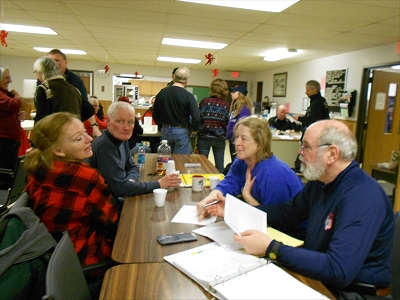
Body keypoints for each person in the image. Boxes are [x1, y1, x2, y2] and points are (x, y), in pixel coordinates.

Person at [201, 120, 394, 299]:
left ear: (332, 154)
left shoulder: (361, 196)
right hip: (319, 277)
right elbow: (288, 213)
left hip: (351, 292)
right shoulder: (321, 182)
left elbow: (339, 270)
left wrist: (271, 247)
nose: (300, 152)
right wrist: (236, 210)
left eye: (306, 147)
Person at [25, 112, 119, 267]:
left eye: (85, 132)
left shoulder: (37, 168)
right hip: (86, 259)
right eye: (79, 138)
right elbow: (111, 219)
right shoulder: (84, 177)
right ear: (59, 150)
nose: (89, 138)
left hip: (52, 258)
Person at [197, 116, 303, 216]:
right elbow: (229, 183)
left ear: (260, 143)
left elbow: (273, 219)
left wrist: (246, 195)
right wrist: (209, 200)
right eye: (237, 137)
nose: (237, 143)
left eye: (244, 138)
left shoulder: (272, 175)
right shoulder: (242, 161)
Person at [86, 102, 181, 203]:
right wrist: (159, 184)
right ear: (108, 121)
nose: (126, 127)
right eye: (120, 121)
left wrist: (130, 180)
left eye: (130, 122)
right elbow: (120, 189)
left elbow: (132, 166)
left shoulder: (122, 139)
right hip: (104, 205)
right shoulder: (105, 146)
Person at [44, 49, 101, 138]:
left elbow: (84, 105)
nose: (52, 64)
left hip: (71, 128)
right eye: (49, 61)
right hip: (50, 128)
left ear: (65, 62)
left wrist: (93, 126)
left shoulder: (75, 81)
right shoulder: (43, 82)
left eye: (56, 60)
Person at [153, 67, 200, 154]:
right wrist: (193, 129)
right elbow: (196, 117)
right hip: (181, 131)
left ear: (174, 77)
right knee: (180, 161)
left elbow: (155, 113)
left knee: (164, 159)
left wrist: (161, 126)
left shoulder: (162, 93)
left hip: (165, 129)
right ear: (187, 81)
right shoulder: (188, 96)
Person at [33, 56, 92, 124]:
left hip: (55, 131)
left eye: (35, 72)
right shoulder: (72, 88)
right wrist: (74, 121)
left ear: (41, 71)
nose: (36, 75)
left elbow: (41, 119)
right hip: (73, 131)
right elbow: (89, 110)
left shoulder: (44, 89)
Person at [293, 80, 330, 172]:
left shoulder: (318, 103)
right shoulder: (316, 102)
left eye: (308, 90)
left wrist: (300, 119)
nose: (306, 92)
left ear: (315, 90)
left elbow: (312, 121)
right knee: (301, 163)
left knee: (301, 164)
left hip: (314, 139)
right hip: (312, 138)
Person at [196, 78, 230, 173]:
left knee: (202, 164)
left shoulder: (204, 101)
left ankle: (200, 185)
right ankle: (220, 186)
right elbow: (227, 121)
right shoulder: (225, 105)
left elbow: (199, 117)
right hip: (219, 138)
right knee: (219, 165)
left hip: (204, 137)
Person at [0, 66, 24, 189]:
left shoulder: (5, 94)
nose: (10, 81)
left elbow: (11, 109)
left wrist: (19, 115)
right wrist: (17, 96)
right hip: (4, 141)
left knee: (10, 170)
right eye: (7, 77)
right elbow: (13, 104)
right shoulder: (3, 95)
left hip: (10, 140)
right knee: (4, 173)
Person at [226, 85, 252, 162]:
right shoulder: (235, 106)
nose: (231, 93)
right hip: (233, 139)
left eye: (234, 91)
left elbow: (243, 126)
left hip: (239, 140)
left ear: (240, 94)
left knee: (237, 162)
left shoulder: (244, 109)